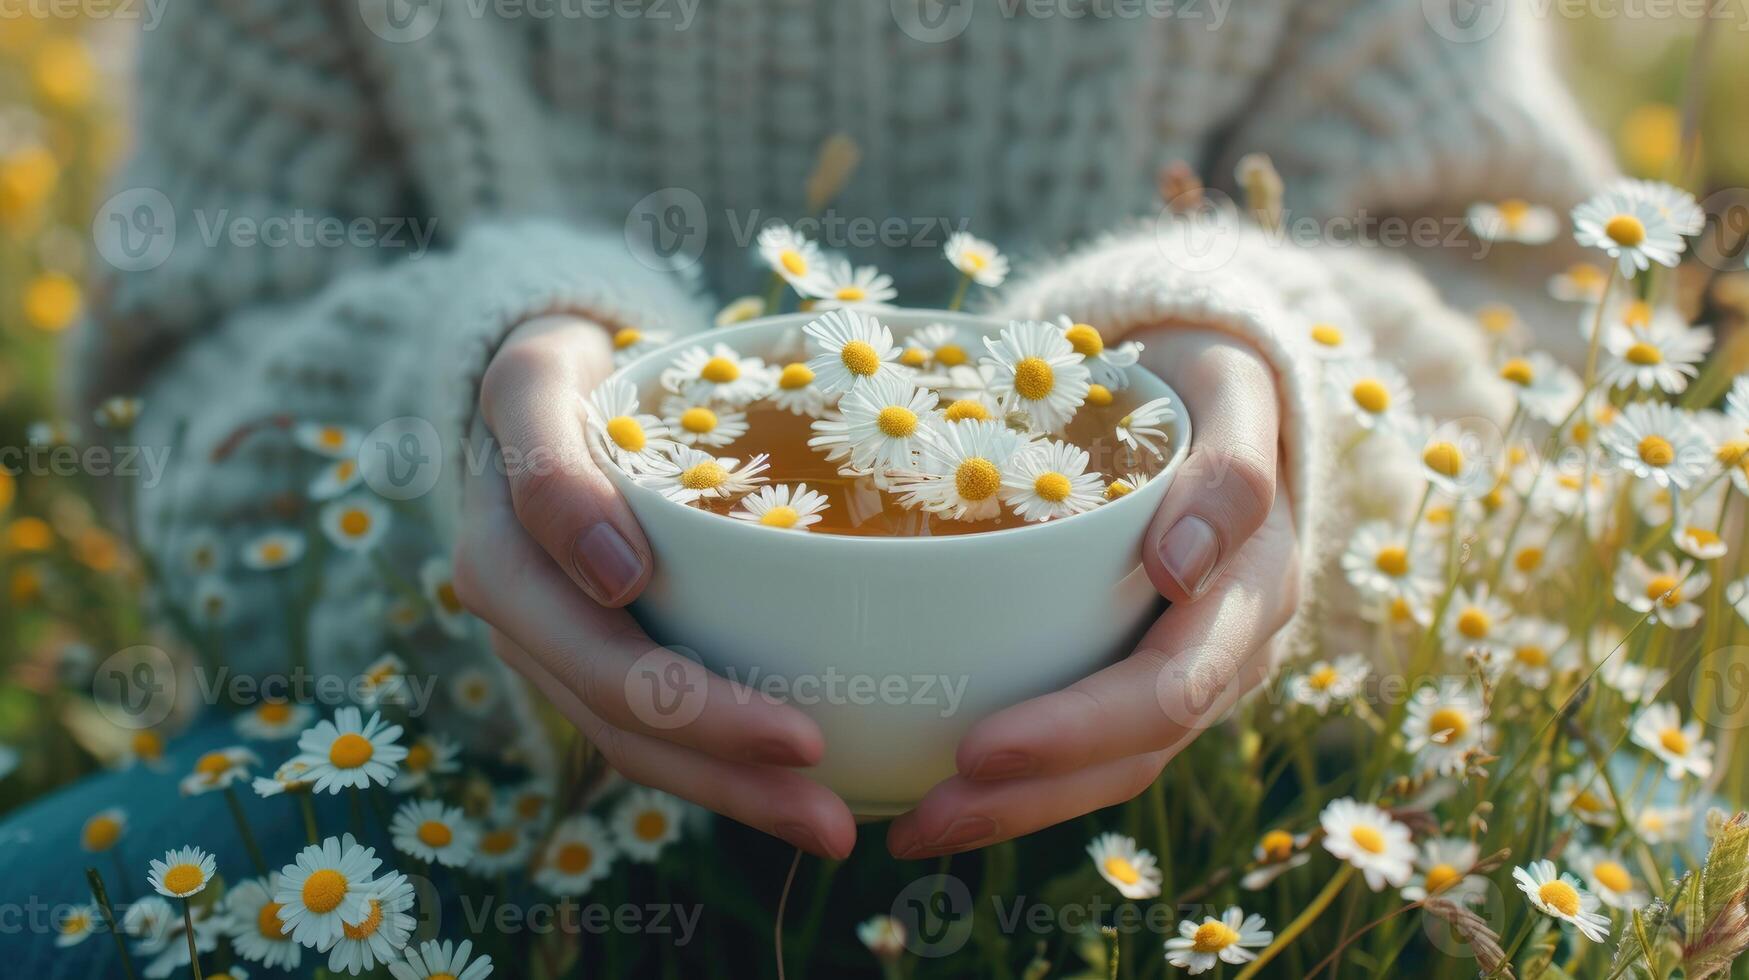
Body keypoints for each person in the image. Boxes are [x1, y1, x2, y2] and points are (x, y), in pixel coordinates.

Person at [38, 0, 1611, 923]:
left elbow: (1541, 334)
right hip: (468, 796)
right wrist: (448, 441)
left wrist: (1277, 389)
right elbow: (192, 383)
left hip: (1256, 831)